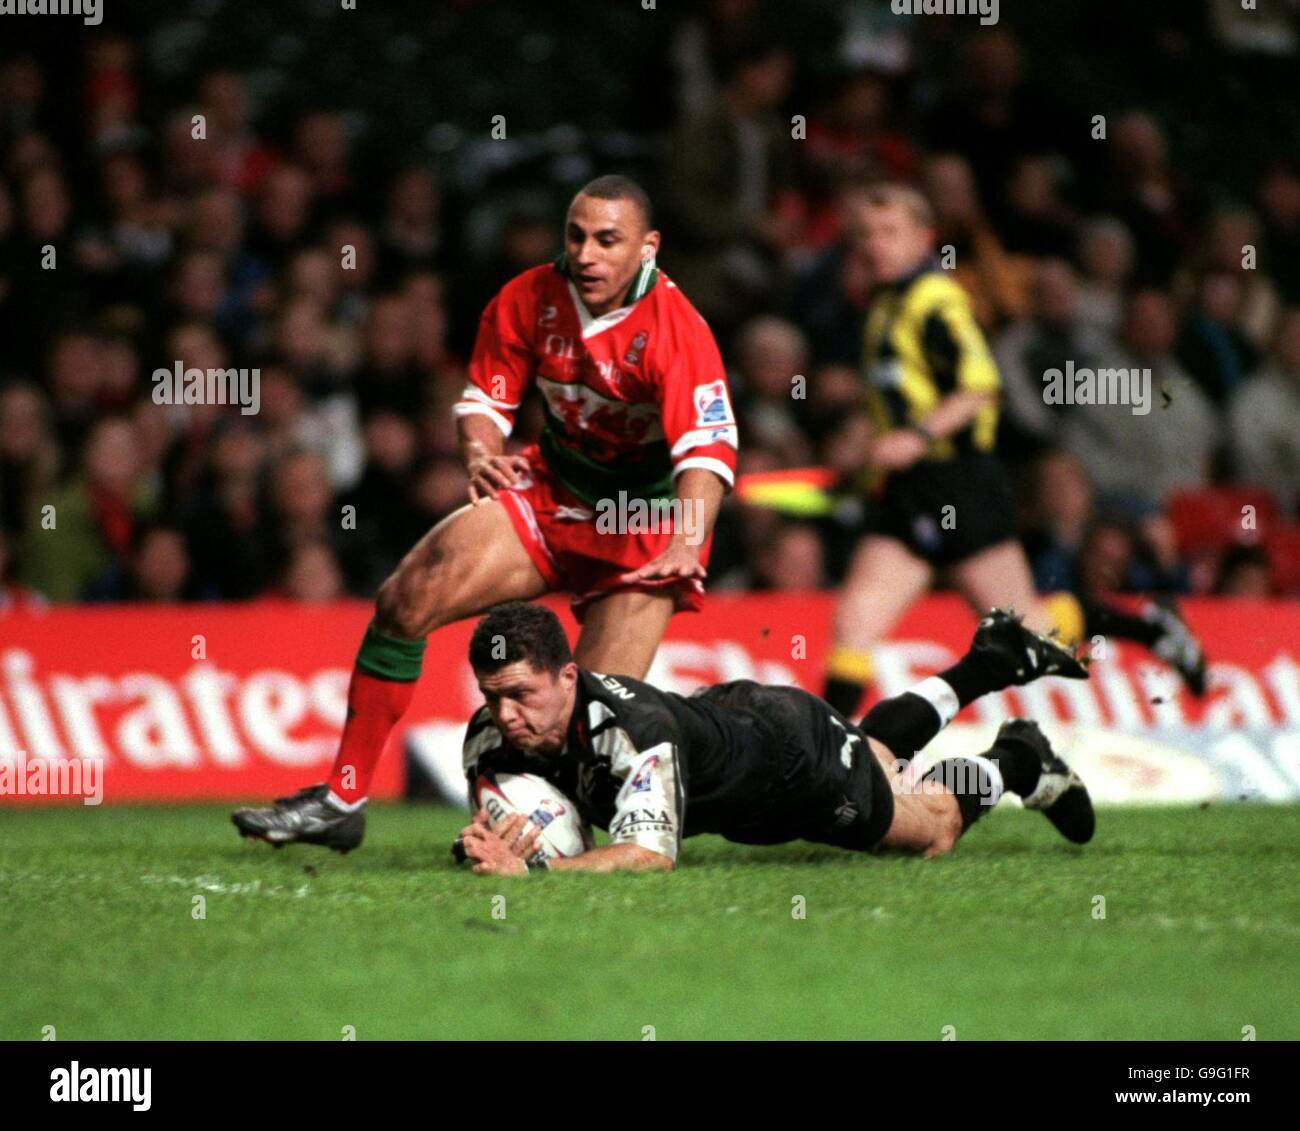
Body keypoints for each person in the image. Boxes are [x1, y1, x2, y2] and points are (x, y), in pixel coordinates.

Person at [232, 175, 737, 850]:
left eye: (607, 240)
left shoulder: (678, 330)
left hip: (641, 528)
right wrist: (480, 453)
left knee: (575, 721)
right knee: (406, 598)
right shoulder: (530, 298)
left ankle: (564, 833)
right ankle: (341, 800)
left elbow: (707, 451)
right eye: (576, 236)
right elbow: (485, 401)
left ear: (648, 247)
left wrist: (687, 538)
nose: (586, 253)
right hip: (555, 495)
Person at [820, 184, 1206, 720]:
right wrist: (867, 456)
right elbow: (899, 400)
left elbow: (980, 387)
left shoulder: (937, 301)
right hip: (908, 492)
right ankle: (826, 754)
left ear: (924, 238)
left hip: (960, 483)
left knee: (1029, 634)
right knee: (854, 624)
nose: (875, 244)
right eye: (866, 234)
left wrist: (918, 438)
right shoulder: (884, 305)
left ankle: (1150, 628)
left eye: (890, 232)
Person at [450, 601, 1092, 876]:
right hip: (738, 731)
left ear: (568, 676)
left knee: (931, 831)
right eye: (492, 696)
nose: (504, 714)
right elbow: (500, 814)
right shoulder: (488, 738)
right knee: (874, 755)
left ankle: (1017, 761)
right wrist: (485, 842)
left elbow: (649, 856)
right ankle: (989, 660)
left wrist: (538, 872)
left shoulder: (633, 732)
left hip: (794, 763)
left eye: (521, 694)